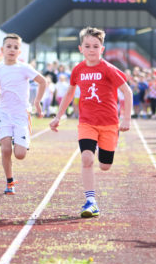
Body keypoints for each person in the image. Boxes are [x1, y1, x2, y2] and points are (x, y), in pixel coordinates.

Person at [49, 26, 132, 218]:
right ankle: (91, 201)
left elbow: (127, 92)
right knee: (87, 159)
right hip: (86, 122)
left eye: (96, 46)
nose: (92, 49)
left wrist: (126, 119)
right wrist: (58, 116)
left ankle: (110, 147)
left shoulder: (108, 69)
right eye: (87, 46)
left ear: (102, 49)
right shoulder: (78, 70)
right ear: (81, 49)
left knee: (105, 165)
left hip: (110, 123)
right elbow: (70, 93)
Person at [0, 33, 46, 195]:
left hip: (21, 115)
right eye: (9, 46)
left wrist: (37, 101)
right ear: (2, 49)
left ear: (20, 52)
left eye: (15, 47)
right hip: (4, 113)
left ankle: (20, 141)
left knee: (20, 155)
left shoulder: (24, 68)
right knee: (5, 149)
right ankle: (9, 182)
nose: (12, 50)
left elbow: (43, 81)